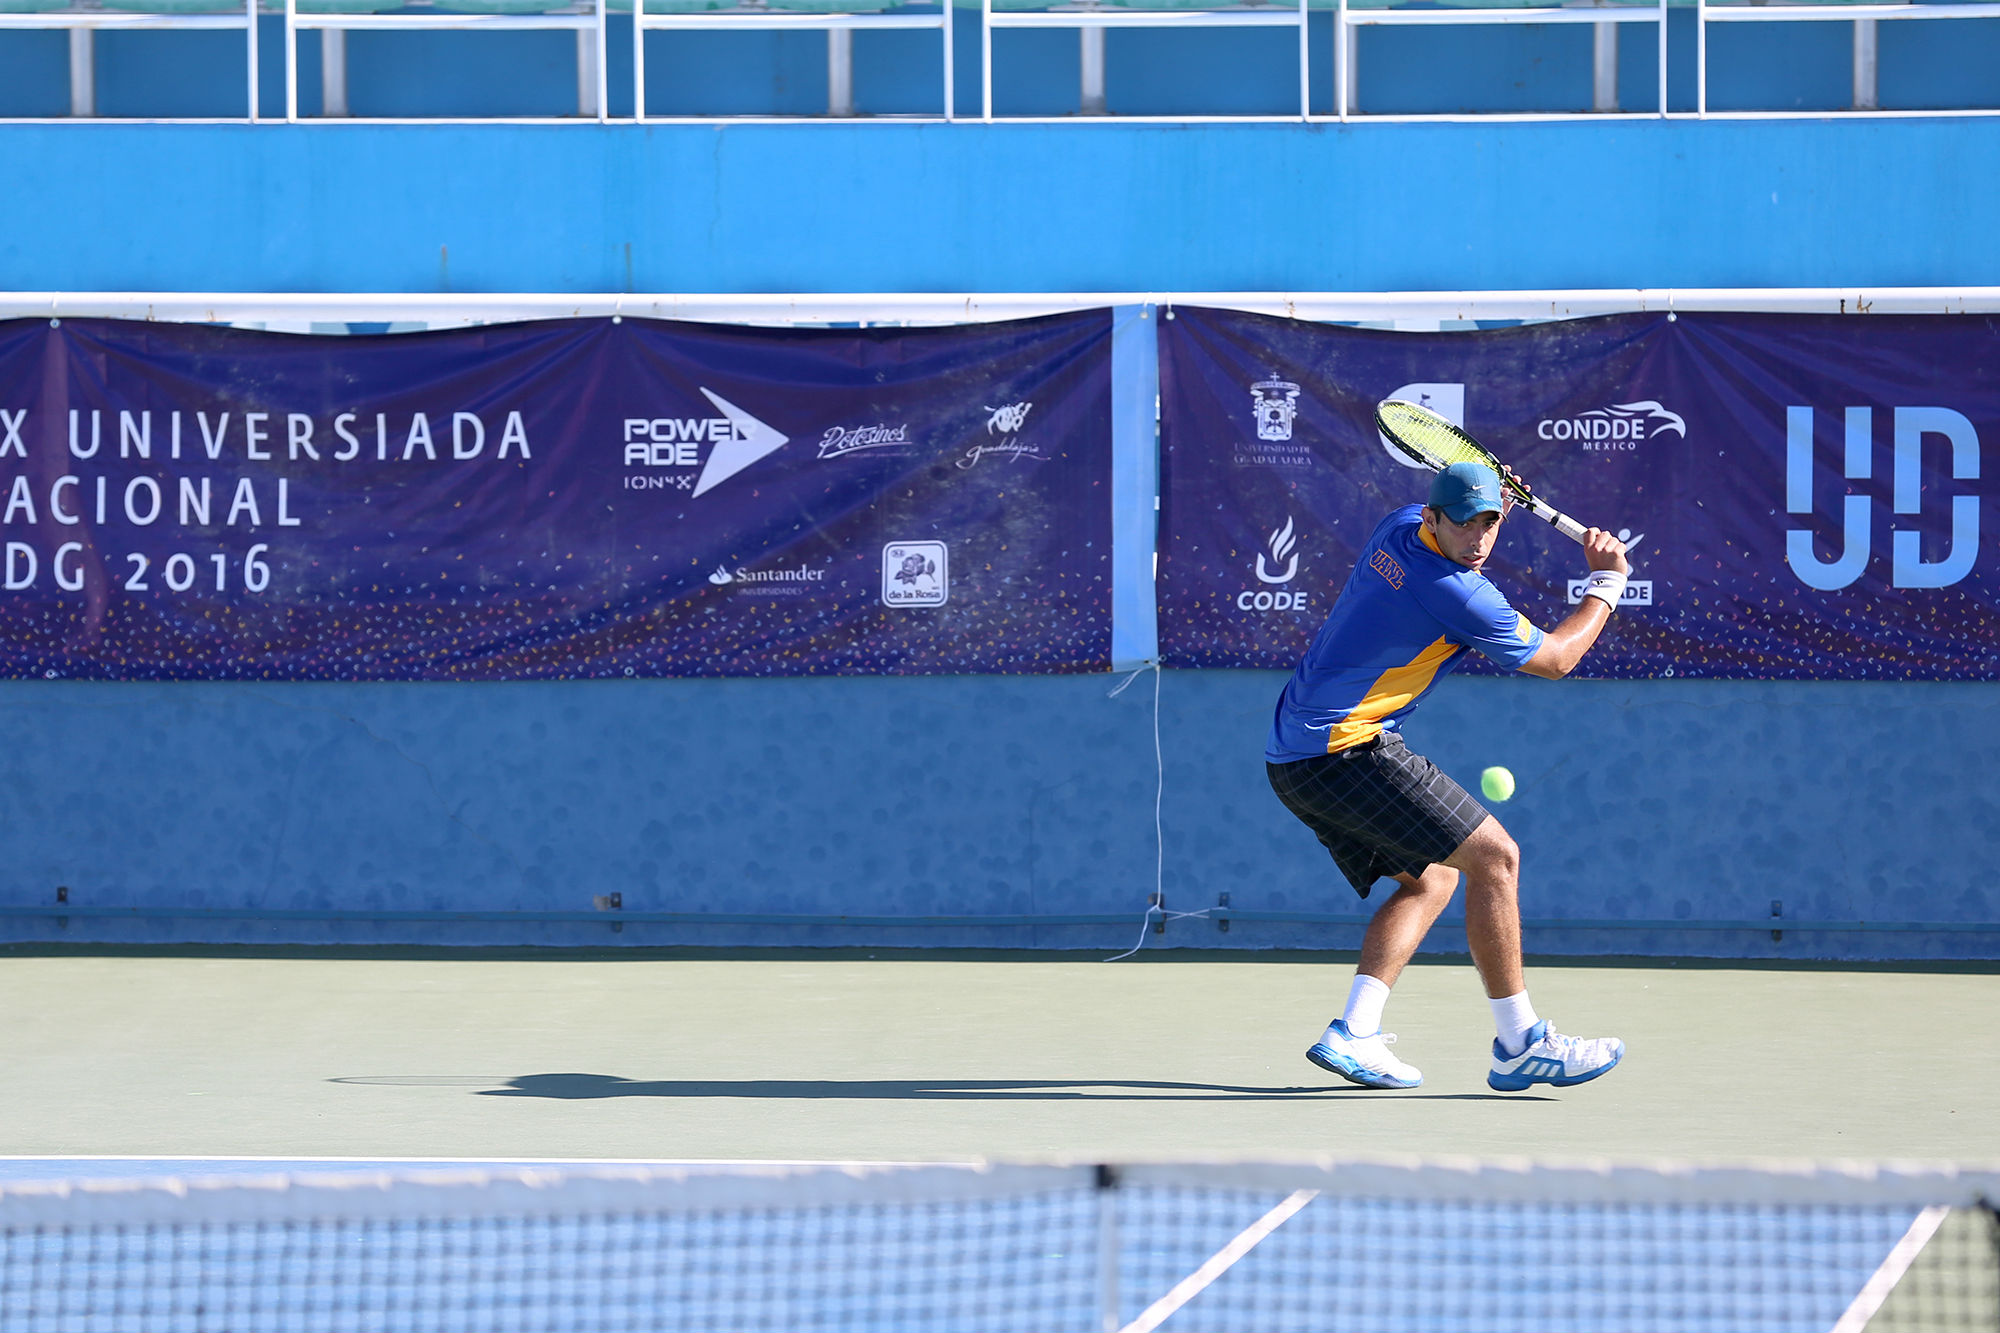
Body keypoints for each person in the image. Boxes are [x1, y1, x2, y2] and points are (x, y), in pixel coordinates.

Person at [1265, 460, 1629, 1092]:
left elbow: (1462, 512)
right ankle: (1522, 1043)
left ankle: (1354, 1034)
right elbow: (1557, 658)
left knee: (1430, 879)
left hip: (1293, 759)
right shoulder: (1459, 592)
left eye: (1490, 522)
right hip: (1344, 750)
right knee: (1497, 858)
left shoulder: (1399, 525)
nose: (1479, 539)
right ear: (1433, 518)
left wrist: (1490, 491)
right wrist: (1606, 581)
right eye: (1465, 524)